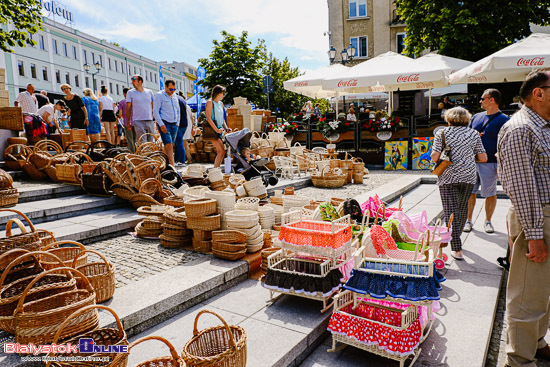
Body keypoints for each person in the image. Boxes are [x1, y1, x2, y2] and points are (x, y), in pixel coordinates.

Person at [498, 70, 550, 367]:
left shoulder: (542, 126)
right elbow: (520, 186)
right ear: (538, 93)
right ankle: (518, 360)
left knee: (542, 292)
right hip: (536, 217)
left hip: (542, 215)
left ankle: (537, 342)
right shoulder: (520, 128)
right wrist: (534, 235)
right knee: (528, 295)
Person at [431, 107, 487, 260]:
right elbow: (483, 158)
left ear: (448, 119)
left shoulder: (442, 133)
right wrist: (467, 156)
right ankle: (456, 237)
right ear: (467, 119)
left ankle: (457, 248)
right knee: (461, 210)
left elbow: (435, 157)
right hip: (468, 176)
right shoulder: (474, 134)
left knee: (450, 211)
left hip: (448, 176)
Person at [464, 89, 510, 233]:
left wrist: (501, 165)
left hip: (490, 162)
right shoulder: (476, 117)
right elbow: (466, 134)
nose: (480, 101)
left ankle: (488, 221)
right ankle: (468, 220)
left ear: (492, 100)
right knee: (469, 192)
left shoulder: (504, 120)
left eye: (483, 99)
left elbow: (506, 143)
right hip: (472, 162)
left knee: (490, 193)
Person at [153, 79, 180, 167]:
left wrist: (177, 123)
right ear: (165, 87)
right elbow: (155, 111)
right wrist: (161, 124)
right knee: (168, 145)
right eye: (170, 89)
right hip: (165, 123)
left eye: (174, 89)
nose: (172, 91)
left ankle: (166, 163)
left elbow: (178, 110)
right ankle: (172, 165)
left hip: (174, 123)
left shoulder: (175, 96)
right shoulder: (159, 95)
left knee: (171, 145)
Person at [205, 85, 231, 168]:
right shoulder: (210, 102)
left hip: (220, 130)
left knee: (222, 151)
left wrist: (226, 128)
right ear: (218, 94)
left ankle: (216, 170)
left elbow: (222, 118)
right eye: (223, 94)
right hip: (213, 130)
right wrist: (216, 130)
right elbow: (208, 118)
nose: (224, 96)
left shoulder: (221, 104)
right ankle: (215, 171)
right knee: (221, 151)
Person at [126, 75, 155, 143]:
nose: (132, 82)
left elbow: (154, 106)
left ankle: (150, 153)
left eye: (134, 80)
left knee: (151, 141)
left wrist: (155, 119)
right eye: (132, 80)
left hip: (149, 120)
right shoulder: (130, 93)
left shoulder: (149, 92)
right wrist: (128, 121)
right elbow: (128, 108)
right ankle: (144, 154)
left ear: (140, 81)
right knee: (142, 142)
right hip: (138, 120)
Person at [175, 91, 193, 165]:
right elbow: (191, 117)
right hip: (188, 124)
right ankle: (188, 159)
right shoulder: (187, 106)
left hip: (182, 124)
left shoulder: (178, 104)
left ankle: (184, 159)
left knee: (181, 143)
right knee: (184, 143)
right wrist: (192, 126)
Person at [118, 88, 136, 153]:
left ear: (124, 93)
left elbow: (120, 114)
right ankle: (138, 152)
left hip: (127, 122)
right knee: (135, 138)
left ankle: (132, 153)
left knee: (129, 139)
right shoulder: (134, 101)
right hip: (136, 121)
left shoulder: (122, 102)